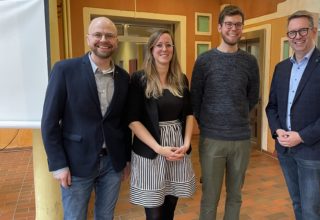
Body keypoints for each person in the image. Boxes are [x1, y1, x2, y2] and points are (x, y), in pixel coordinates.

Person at [41, 17, 131, 220]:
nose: (103, 39)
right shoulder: (65, 70)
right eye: (98, 34)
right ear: (88, 38)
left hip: (112, 163)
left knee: (106, 216)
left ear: (116, 40)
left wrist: (126, 159)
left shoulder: (124, 77)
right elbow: (49, 122)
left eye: (109, 35)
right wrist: (58, 164)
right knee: (75, 217)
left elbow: (123, 123)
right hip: (76, 163)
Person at [265, 10, 320, 220]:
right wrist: (278, 131)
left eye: (302, 30)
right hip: (284, 148)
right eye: (292, 33)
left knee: (311, 208)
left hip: (313, 148)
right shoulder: (281, 68)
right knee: (296, 201)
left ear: (313, 31)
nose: (297, 37)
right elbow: (271, 107)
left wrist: (300, 136)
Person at [191, 5, 260, 220]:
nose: (233, 28)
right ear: (219, 27)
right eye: (228, 24)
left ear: (242, 28)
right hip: (212, 138)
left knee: (235, 195)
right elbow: (196, 99)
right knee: (210, 196)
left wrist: (234, 118)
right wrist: (211, 123)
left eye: (238, 24)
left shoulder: (250, 62)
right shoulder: (204, 61)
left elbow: (252, 97)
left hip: (240, 139)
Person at [127, 29, 195, 220]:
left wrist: (187, 143)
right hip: (151, 150)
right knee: (154, 212)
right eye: (159, 45)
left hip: (177, 148)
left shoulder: (181, 79)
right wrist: (159, 148)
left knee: (170, 208)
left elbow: (189, 114)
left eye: (168, 44)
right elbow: (133, 120)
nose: (164, 49)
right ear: (151, 49)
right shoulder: (139, 79)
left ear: (173, 48)